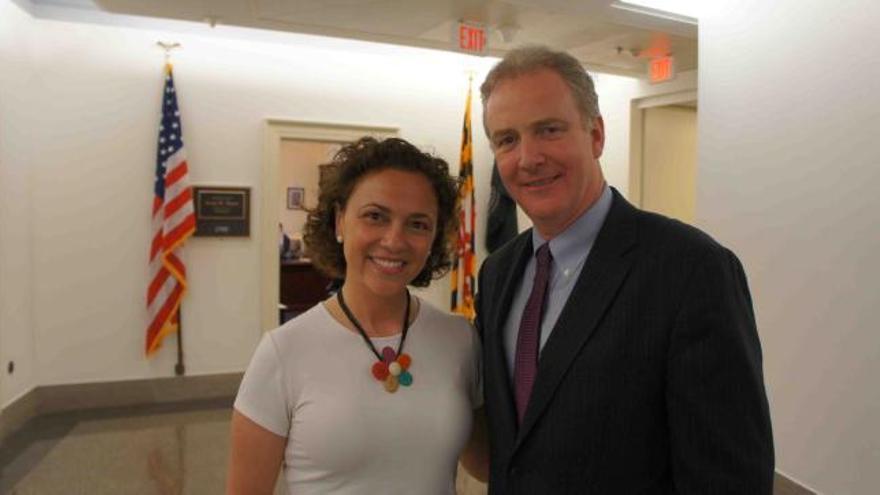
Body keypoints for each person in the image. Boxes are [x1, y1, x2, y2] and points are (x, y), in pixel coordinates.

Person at [475, 45, 774, 493]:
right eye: (507, 139)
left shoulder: (693, 271)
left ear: (595, 134)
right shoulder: (498, 273)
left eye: (549, 129)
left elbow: (730, 478)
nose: (528, 158)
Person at [228, 137, 487, 494]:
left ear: (433, 239)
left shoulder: (460, 339)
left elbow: (486, 465)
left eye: (417, 224)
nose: (394, 240)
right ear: (339, 221)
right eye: (375, 216)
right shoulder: (283, 352)